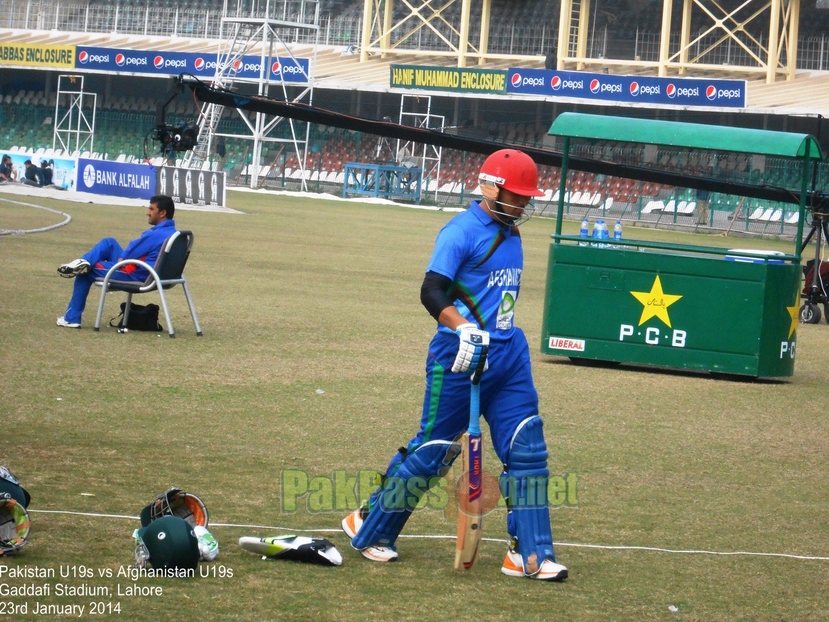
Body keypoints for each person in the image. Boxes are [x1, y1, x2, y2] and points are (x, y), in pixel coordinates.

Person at [341, 149, 568, 582]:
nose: (522, 204)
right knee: (434, 451)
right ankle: (371, 528)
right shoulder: (460, 231)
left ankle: (529, 555)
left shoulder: (512, 233)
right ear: (489, 187)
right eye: (515, 195)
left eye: (526, 197)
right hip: (459, 357)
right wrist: (464, 328)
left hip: (508, 356)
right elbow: (431, 291)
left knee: (528, 450)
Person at [55, 195, 177, 329]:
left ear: (162, 213)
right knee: (110, 243)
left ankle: (71, 318)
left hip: (138, 274)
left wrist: (122, 259)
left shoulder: (156, 234)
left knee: (85, 271)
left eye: (151, 209)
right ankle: (82, 262)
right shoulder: (173, 233)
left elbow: (131, 251)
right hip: (152, 273)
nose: (147, 212)